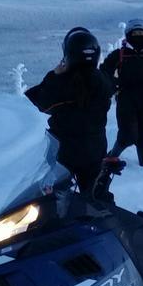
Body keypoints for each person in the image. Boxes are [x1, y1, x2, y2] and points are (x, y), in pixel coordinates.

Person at [25, 27, 115, 198]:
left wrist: (54, 74)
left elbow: (41, 101)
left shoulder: (64, 84)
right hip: (94, 150)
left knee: (54, 202)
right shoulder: (102, 80)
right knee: (94, 199)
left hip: (64, 153)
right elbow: (111, 85)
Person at [101, 19, 143, 166]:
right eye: (135, 33)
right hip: (126, 98)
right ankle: (111, 157)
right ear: (128, 35)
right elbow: (104, 73)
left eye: (141, 33)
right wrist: (114, 85)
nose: (138, 36)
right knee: (128, 134)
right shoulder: (119, 54)